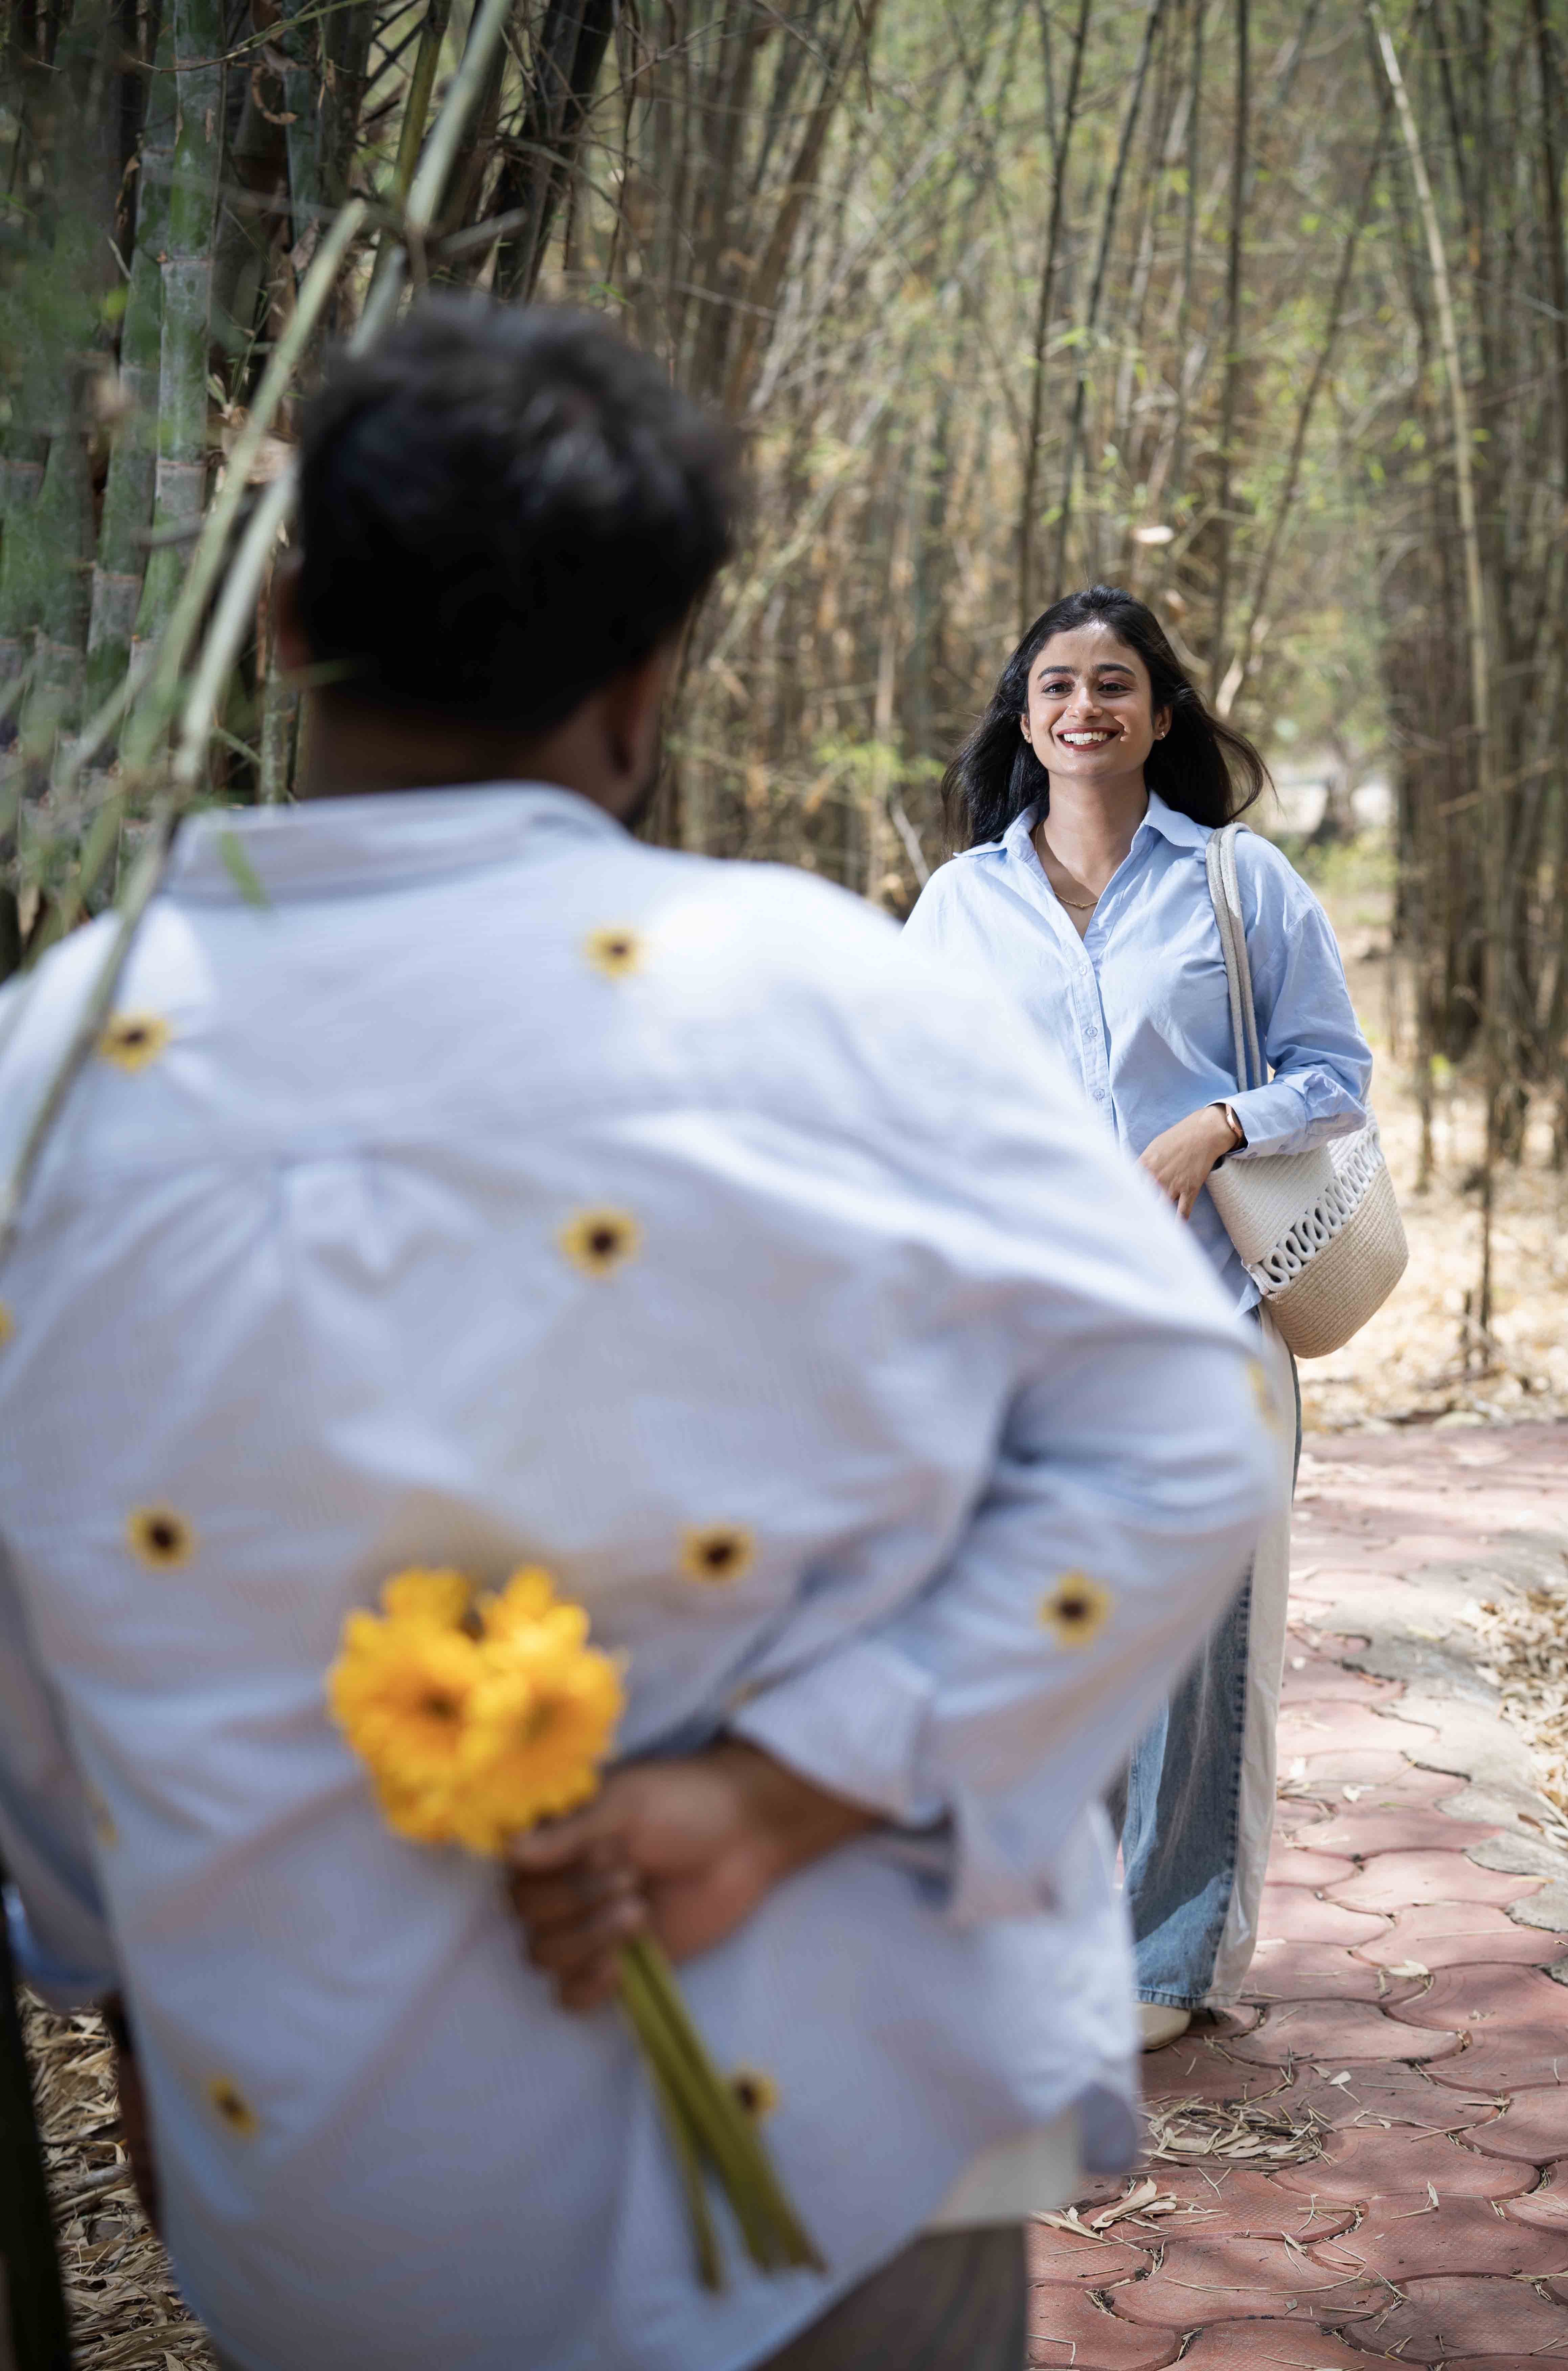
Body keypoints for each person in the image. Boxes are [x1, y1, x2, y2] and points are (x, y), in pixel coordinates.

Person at [0, 311, 1279, 2371]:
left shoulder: (52, 1074)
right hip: (835, 2187)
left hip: (323, 2178)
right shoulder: (799, 994)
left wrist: (138, 1963)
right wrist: (783, 1797)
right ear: (651, 676)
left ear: (285, 618)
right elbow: (1183, 1424)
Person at [904, 586, 1372, 2046]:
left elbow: (1335, 1070)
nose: (1084, 707)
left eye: (1115, 683)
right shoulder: (959, 906)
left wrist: (1212, 1127)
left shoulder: (1240, 884)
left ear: (1160, 717)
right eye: (1057, 684)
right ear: (1025, 717)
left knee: (1199, 1653)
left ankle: (1165, 1962)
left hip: (1209, 1322)